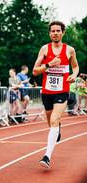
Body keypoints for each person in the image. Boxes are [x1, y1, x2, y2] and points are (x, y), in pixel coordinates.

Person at [33, 21, 79, 168]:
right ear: (49, 33)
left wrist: (74, 75)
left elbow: (75, 67)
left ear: (63, 32)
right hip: (47, 91)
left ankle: (47, 156)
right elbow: (35, 71)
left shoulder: (70, 50)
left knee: (54, 119)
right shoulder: (44, 49)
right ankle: (57, 128)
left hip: (62, 90)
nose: (55, 33)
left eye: (58, 31)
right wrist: (49, 64)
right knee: (51, 122)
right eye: (52, 31)